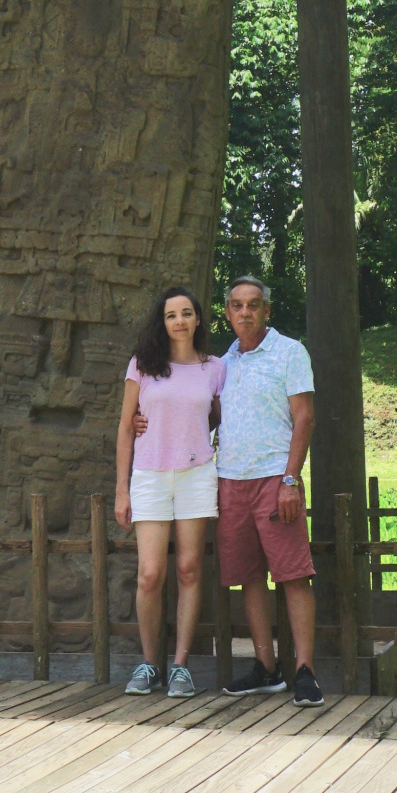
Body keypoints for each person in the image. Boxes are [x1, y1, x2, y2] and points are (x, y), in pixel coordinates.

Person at [214, 275, 321, 705]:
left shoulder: (290, 352)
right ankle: (267, 668)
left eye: (254, 305)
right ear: (227, 312)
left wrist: (291, 479)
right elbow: (209, 418)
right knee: (249, 578)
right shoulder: (223, 363)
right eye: (237, 305)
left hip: (276, 478)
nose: (245, 313)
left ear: (267, 310)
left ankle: (305, 671)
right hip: (230, 480)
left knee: (293, 575)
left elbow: (305, 418)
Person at [114, 284, 226, 696]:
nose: (179, 321)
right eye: (171, 315)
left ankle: (180, 665)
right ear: (162, 323)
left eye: (186, 313)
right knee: (150, 574)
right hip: (149, 475)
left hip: (197, 476)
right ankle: (149, 663)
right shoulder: (142, 366)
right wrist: (121, 491)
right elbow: (127, 427)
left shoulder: (214, 368)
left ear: (198, 319)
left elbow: (215, 417)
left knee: (190, 569)